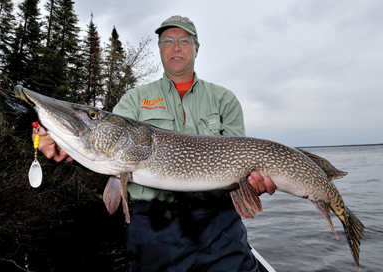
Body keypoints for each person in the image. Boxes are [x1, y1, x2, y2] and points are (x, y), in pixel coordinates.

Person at [34, 15, 276, 272]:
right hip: (154, 228)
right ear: (160, 48)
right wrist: (63, 145)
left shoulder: (224, 99)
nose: (176, 47)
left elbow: (243, 165)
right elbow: (103, 151)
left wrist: (251, 185)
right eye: (168, 41)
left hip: (218, 225)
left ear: (197, 48)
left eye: (184, 40)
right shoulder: (135, 99)